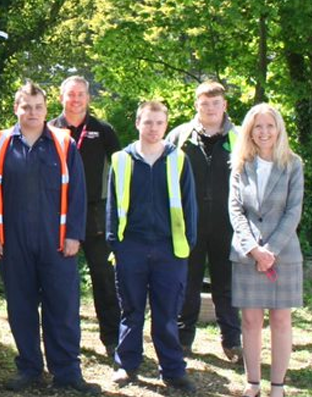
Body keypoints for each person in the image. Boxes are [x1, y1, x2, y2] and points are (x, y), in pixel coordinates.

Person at [0, 81, 100, 395]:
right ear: (16, 109)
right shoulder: (0, 144)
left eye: (37, 107)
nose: (32, 113)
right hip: (13, 241)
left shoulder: (64, 143)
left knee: (62, 307)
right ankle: (30, 369)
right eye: (26, 107)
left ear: (46, 110)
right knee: (20, 307)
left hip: (58, 242)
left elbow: (78, 192)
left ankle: (67, 372)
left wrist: (75, 234)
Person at [106, 101, 198, 392]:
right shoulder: (121, 159)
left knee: (167, 313)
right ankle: (127, 365)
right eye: (148, 122)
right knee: (131, 311)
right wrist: (116, 244)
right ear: (137, 124)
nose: (153, 128)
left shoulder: (178, 159)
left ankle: (172, 369)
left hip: (169, 249)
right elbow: (111, 205)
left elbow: (189, 205)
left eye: (159, 123)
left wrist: (186, 244)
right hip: (130, 246)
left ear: (166, 125)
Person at [228, 103, 303, 397]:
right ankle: (253, 382)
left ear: (279, 129)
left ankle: (278, 385)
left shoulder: (293, 163)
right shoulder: (240, 164)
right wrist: (254, 250)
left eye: (270, 126)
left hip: (283, 254)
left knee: (282, 319)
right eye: (258, 126)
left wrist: (270, 250)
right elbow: (235, 211)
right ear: (249, 130)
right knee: (250, 320)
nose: (264, 132)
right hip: (247, 256)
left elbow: (294, 211)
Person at [167, 81, 243, 364]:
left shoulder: (240, 137)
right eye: (204, 103)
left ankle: (232, 342)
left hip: (228, 223)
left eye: (215, 103)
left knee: (226, 284)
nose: (210, 108)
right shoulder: (179, 136)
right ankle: (183, 340)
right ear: (196, 105)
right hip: (188, 223)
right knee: (188, 282)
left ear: (225, 105)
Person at [49, 76, 122, 358]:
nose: (75, 99)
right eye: (70, 94)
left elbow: (121, 170)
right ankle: (63, 342)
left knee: (104, 278)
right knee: (60, 282)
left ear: (88, 98)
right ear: (61, 98)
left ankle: (112, 340)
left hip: (94, 215)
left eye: (80, 94)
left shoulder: (102, 130)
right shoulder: (51, 129)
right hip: (58, 215)